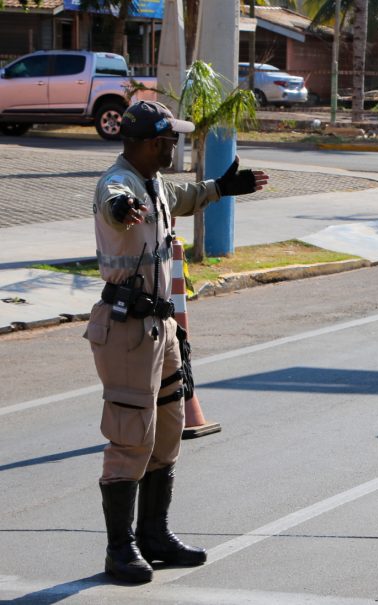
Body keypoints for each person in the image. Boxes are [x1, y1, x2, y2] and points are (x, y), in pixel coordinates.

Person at [85, 100, 268, 584]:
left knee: (167, 431)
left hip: (160, 328)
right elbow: (114, 203)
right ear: (147, 142)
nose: (173, 148)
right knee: (130, 436)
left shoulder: (156, 183)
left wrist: (222, 188)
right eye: (168, 141)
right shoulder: (119, 184)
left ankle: (154, 535)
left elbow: (184, 196)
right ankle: (119, 549)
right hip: (125, 329)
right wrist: (123, 209)